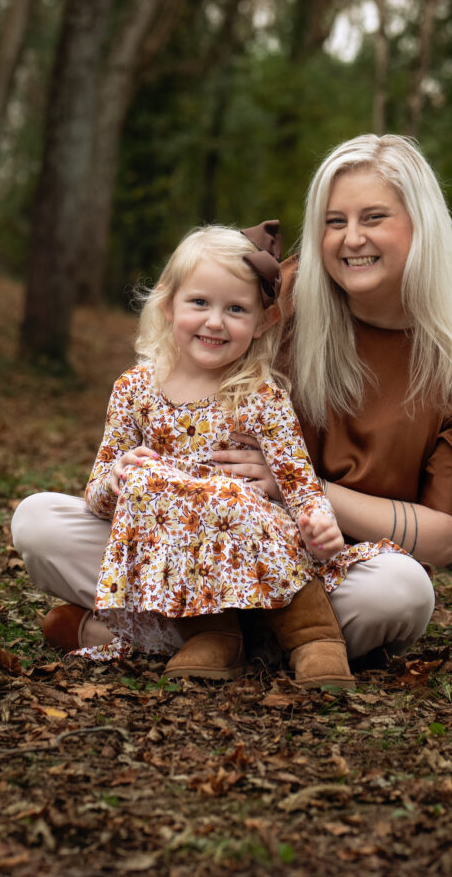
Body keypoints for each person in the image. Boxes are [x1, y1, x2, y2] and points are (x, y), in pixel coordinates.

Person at [12, 134, 452, 664]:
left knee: (399, 592)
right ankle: (260, 641)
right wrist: (136, 472)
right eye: (334, 221)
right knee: (40, 522)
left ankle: (174, 632)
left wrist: (300, 488)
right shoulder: (280, 293)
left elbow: (442, 538)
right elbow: (188, 339)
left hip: (331, 563)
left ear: (421, 224)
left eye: (373, 218)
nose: (351, 239)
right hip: (200, 531)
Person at [56, 221, 397, 686]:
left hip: (255, 539)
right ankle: (213, 635)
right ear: (167, 305)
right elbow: (96, 497)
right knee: (136, 485)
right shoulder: (135, 389)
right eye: (199, 302)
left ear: (263, 322)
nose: (215, 322)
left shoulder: (259, 396)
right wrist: (117, 478)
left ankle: (314, 637)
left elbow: (298, 482)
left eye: (235, 309)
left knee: (233, 501)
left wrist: (318, 521)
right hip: (174, 550)